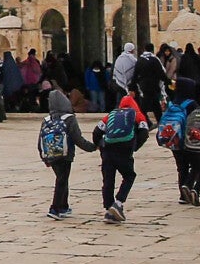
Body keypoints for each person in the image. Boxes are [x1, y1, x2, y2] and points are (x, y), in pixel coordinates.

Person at [40, 88, 96, 219]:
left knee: (61, 179)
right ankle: (55, 208)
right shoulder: (69, 118)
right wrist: (93, 147)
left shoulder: (47, 120)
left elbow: (40, 140)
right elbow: (78, 139)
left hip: (51, 154)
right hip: (66, 155)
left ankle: (64, 206)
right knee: (62, 180)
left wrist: (44, 157)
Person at [91, 94, 147, 224]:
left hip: (107, 150)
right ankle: (118, 202)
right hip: (124, 150)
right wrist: (134, 147)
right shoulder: (137, 115)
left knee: (108, 180)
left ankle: (108, 209)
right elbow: (144, 133)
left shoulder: (111, 115)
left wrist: (99, 146)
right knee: (129, 176)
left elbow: (96, 132)